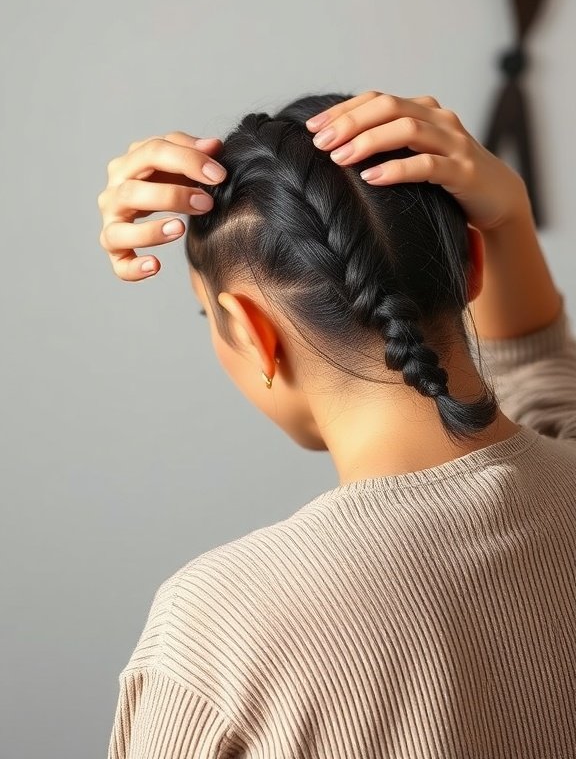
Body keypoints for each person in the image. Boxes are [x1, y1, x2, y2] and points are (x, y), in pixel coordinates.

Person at [98, 90, 576, 758]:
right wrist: (509, 213)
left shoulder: (218, 631)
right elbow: (542, 376)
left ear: (251, 331)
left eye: (209, 319)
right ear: (471, 265)